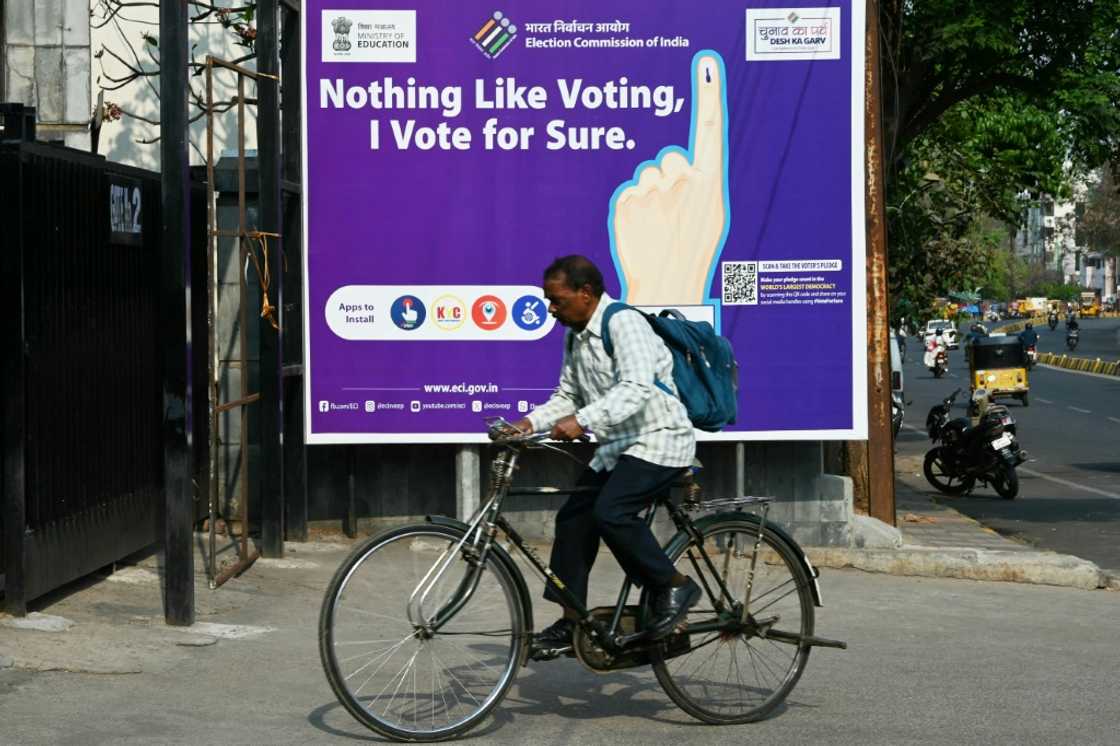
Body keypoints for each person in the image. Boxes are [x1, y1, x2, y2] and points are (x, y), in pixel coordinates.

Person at [505, 255, 700, 661]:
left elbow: (636, 388)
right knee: (574, 519)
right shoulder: (575, 335)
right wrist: (528, 423)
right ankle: (572, 621)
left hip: (659, 439)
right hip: (618, 446)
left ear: (586, 293)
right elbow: (568, 397)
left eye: (556, 300)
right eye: (547, 300)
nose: (550, 309)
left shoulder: (623, 323)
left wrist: (584, 419)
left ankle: (672, 585)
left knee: (612, 512)